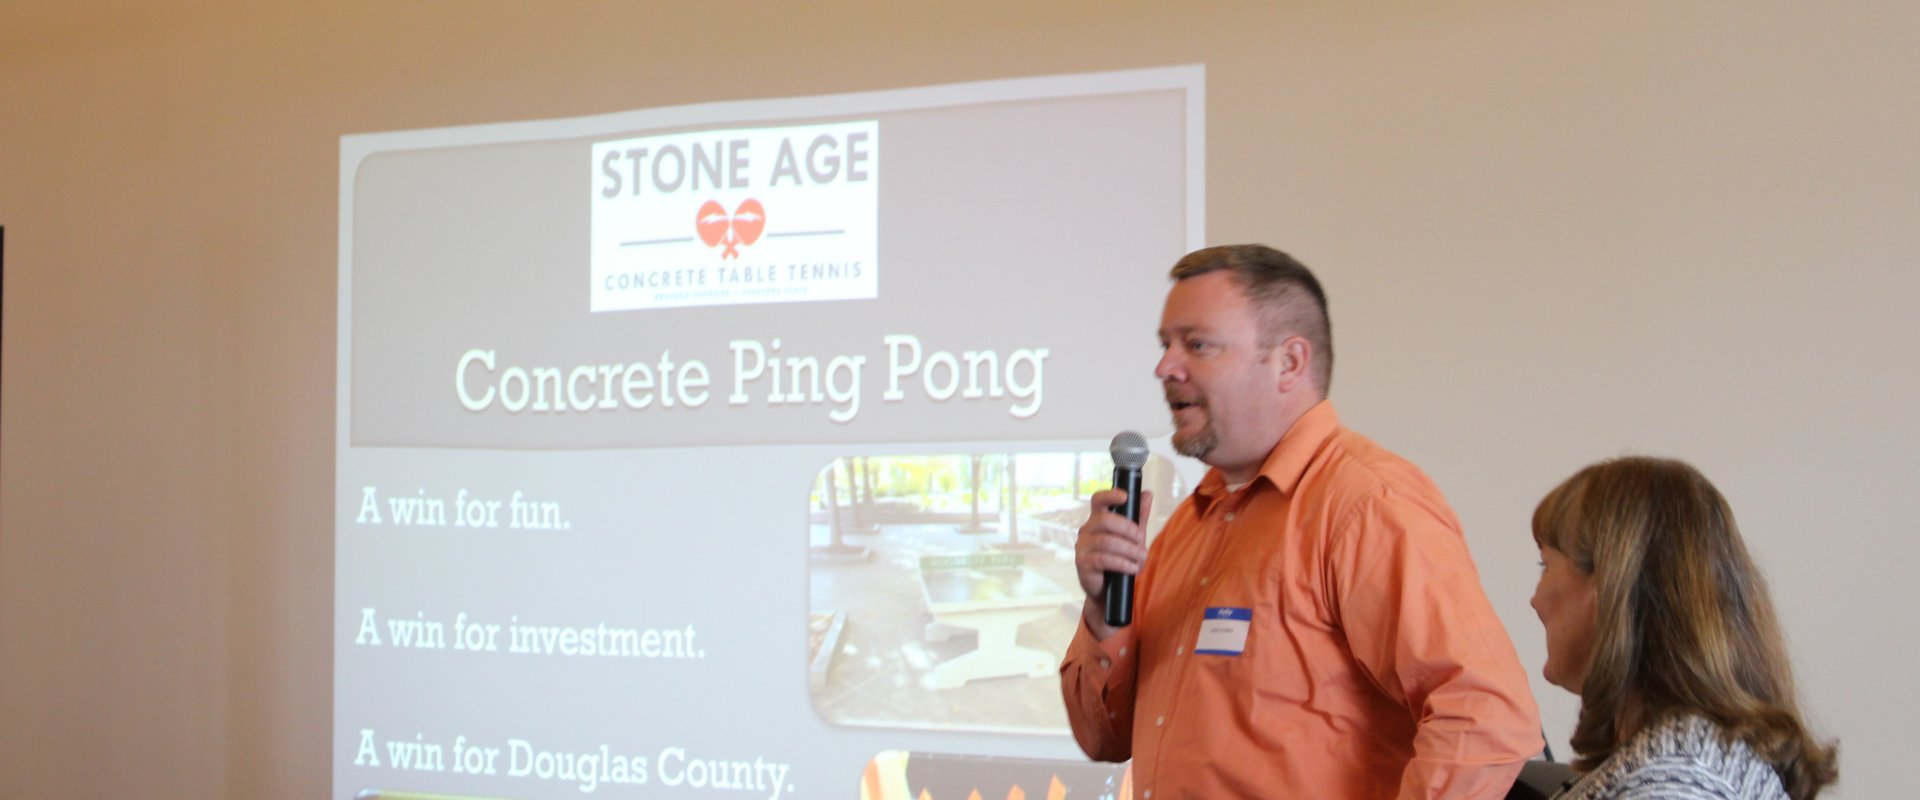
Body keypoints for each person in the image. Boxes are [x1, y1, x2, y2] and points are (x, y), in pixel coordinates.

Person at [1060, 244, 1542, 799]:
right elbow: (1103, 738)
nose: (1165, 367)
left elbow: (1484, 716)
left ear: (1289, 362)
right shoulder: (1188, 527)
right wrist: (1105, 613)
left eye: (1197, 344)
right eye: (1164, 344)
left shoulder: (1365, 504)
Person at [1529, 457, 1839, 799]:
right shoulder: (1686, 758)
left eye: (1546, 566)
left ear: (1609, 588)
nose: (1535, 600)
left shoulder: (1676, 783)